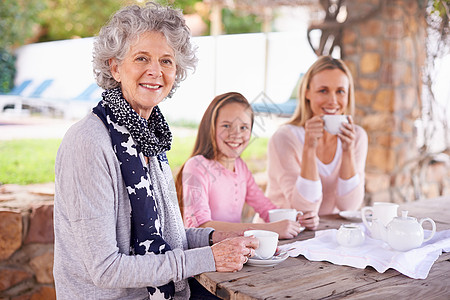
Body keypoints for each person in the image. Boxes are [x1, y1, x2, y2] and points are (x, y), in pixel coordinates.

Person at [53, 3, 258, 300]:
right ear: (115, 66)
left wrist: (215, 238)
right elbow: (106, 269)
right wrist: (210, 257)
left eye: (166, 61)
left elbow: (165, 237)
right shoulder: (88, 142)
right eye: (141, 58)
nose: (155, 71)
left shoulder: (150, 137)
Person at [175, 92, 311, 239]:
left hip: (235, 253)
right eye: (226, 125)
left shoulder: (240, 167)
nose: (236, 134)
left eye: (244, 127)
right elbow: (200, 227)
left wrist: (299, 221)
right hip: (206, 256)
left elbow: (266, 208)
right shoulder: (197, 166)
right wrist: (267, 229)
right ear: (210, 128)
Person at [265, 56, 368, 217]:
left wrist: (347, 151)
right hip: (280, 235)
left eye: (340, 91)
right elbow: (302, 209)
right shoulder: (284, 138)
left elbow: (349, 206)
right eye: (323, 91)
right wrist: (309, 148)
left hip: (326, 233)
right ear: (307, 92)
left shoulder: (357, 137)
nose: (333, 101)